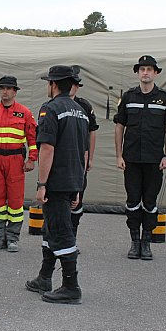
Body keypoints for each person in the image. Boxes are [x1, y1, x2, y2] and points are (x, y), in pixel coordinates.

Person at [26, 65, 89, 304]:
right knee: (50, 229)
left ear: (53, 85)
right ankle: (44, 277)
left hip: (57, 181)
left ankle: (71, 286)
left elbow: (47, 148)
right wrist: (79, 186)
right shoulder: (80, 111)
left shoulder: (50, 109)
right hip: (73, 179)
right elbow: (83, 152)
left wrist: (42, 183)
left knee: (61, 232)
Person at [113, 55, 166, 260]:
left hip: (154, 160)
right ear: (138, 73)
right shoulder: (129, 97)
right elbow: (120, 126)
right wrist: (119, 155)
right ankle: (134, 242)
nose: (145, 73)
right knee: (132, 201)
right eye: (142, 69)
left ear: (156, 72)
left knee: (150, 202)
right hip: (131, 158)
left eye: (149, 69)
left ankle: (146, 242)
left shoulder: (164, 98)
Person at [0, 75, 37, 252]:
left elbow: (32, 139)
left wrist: (31, 159)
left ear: (15, 91)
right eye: (2, 88)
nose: (5, 91)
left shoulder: (25, 113)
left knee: (15, 200)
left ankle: (12, 238)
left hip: (15, 160)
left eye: (8, 88)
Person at [69, 66, 99, 238]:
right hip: (61, 161)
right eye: (69, 83)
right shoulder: (54, 105)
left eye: (75, 84)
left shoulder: (84, 106)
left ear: (78, 87)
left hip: (80, 159)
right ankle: (58, 237)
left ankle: (73, 234)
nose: (72, 87)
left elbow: (92, 132)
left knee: (77, 198)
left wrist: (91, 158)